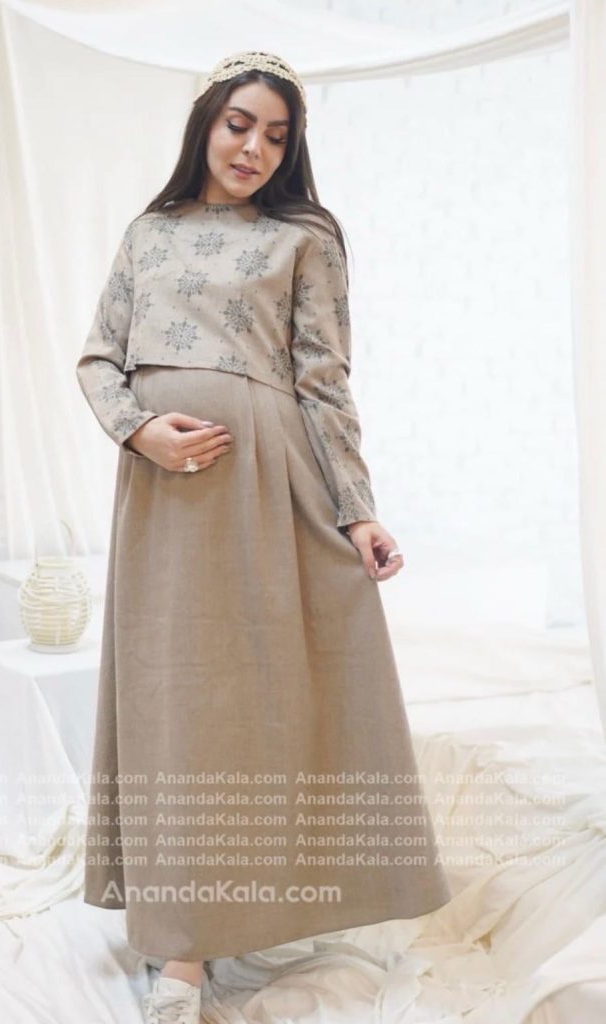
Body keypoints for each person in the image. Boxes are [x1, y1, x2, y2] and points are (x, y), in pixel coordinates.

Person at [76, 50, 452, 1024]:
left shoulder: (303, 238)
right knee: (174, 703)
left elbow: (324, 380)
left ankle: (234, 922)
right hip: (163, 500)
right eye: (239, 124)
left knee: (258, 697)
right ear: (206, 123)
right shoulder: (149, 233)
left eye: (276, 137)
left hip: (268, 488)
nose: (253, 148)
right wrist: (140, 430)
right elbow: (97, 359)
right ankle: (182, 944)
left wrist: (356, 508)